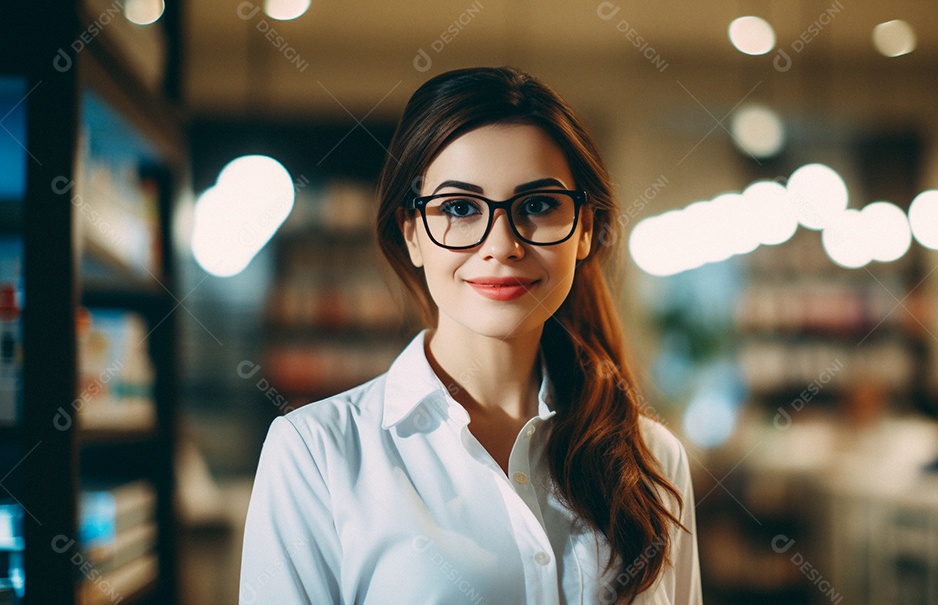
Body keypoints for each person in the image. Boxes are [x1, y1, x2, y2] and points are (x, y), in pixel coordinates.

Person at [240, 66, 702, 605]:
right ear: (412, 234)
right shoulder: (316, 454)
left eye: (537, 205)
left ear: (584, 229)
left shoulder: (650, 458)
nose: (501, 245)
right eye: (460, 208)